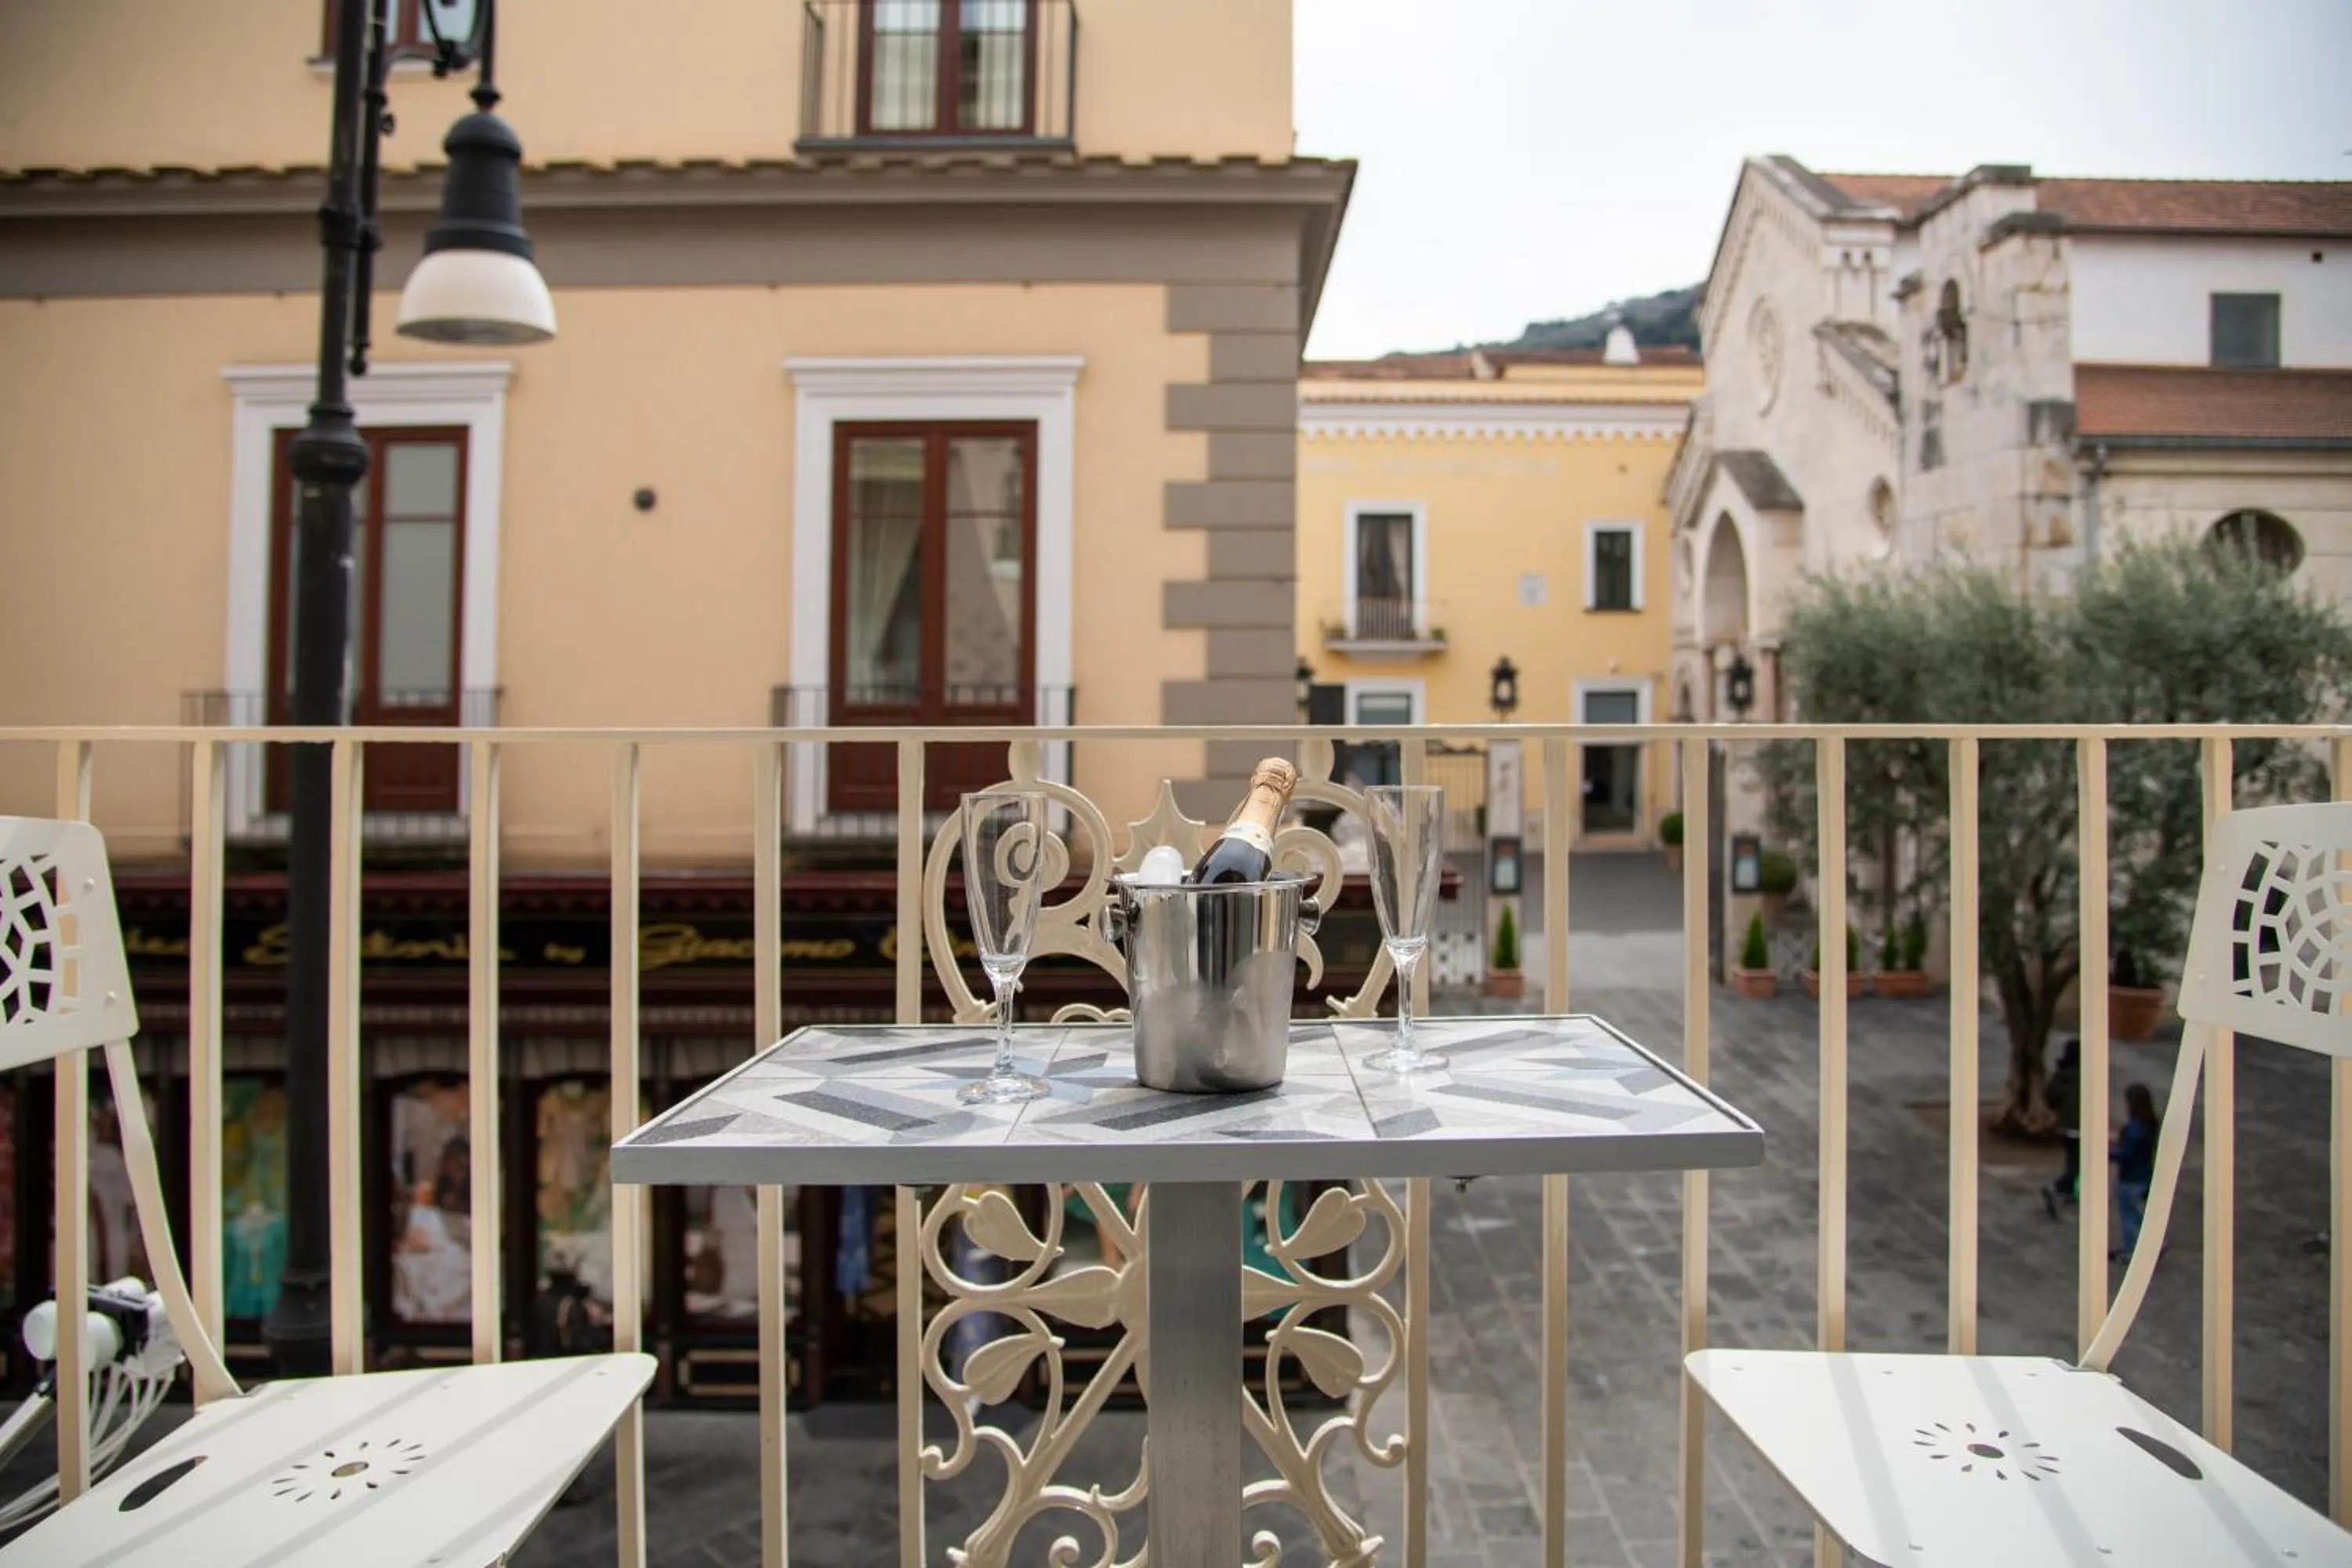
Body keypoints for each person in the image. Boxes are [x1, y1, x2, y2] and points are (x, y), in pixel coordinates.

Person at [2112, 1083, 2160, 1260]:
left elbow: (2126, 1154)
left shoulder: (2134, 1129)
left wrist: (2106, 1152)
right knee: (2137, 1213)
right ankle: (2156, 1240)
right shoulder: (2150, 1124)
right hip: (2144, 1175)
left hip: (2130, 1178)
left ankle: (2130, 1251)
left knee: (2128, 1216)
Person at [2041, 1039, 2082, 1220]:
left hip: (2065, 1126)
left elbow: (2050, 1097)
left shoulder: (2061, 1073)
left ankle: (2070, 1192)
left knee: (2072, 1158)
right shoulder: (2086, 1074)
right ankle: (2058, 1188)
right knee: (2079, 1163)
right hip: (2082, 1125)